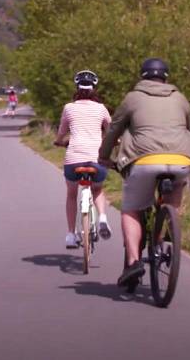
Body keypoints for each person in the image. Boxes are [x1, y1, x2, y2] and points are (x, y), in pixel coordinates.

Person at [98, 58, 190, 286]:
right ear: (166, 77)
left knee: (130, 209)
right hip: (181, 159)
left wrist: (104, 156)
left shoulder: (133, 98)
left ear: (142, 77)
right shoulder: (180, 97)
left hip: (144, 160)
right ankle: (166, 225)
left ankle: (135, 261)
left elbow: (113, 130)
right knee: (174, 194)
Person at [53, 70, 113, 248]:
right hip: (96, 160)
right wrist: (113, 142)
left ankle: (71, 235)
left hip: (74, 160)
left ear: (76, 87)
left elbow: (61, 133)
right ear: (94, 87)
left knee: (72, 195)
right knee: (97, 190)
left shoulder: (69, 108)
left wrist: (58, 141)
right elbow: (111, 131)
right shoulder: (101, 108)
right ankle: (102, 218)